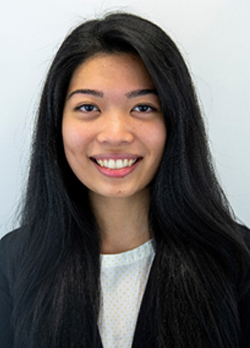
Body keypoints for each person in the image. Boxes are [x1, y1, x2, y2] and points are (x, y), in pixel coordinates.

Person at [0, 12, 250, 348]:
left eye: (143, 108)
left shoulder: (237, 260)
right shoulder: (14, 261)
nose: (115, 134)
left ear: (174, 123)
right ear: (56, 124)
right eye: (88, 107)